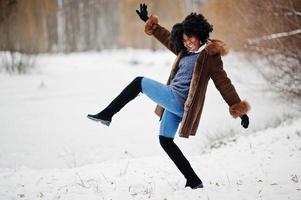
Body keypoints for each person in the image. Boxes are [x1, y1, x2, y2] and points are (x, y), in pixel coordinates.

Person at [87, 3, 251, 189]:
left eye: (191, 39)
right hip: (174, 102)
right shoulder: (184, 51)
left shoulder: (210, 57)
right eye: (185, 40)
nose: (188, 43)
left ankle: (107, 114)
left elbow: (224, 84)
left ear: (200, 34)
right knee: (165, 140)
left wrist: (240, 110)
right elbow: (167, 38)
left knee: (139, 81)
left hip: (178, 100)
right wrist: (151, 24)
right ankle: (194, 180)